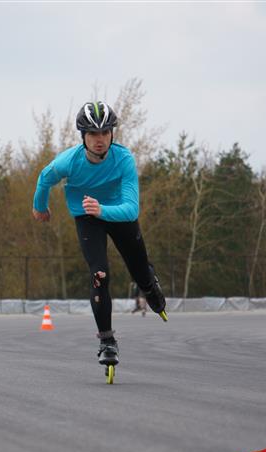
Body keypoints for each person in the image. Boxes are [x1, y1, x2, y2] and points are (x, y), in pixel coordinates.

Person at [32, 101, 167, 368]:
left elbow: (132, 209)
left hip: (118, 213)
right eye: (93, 134)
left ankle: (150, 285)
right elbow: (44, 178)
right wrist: (40, 206)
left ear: (112, 134)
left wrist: (102, 209)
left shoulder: (124, 159)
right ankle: (107, 341)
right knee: (99, 274)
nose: (100, 139)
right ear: (83, 136)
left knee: (140, 272)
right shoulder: (68, 161)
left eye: (105, 132)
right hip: (87, 217)